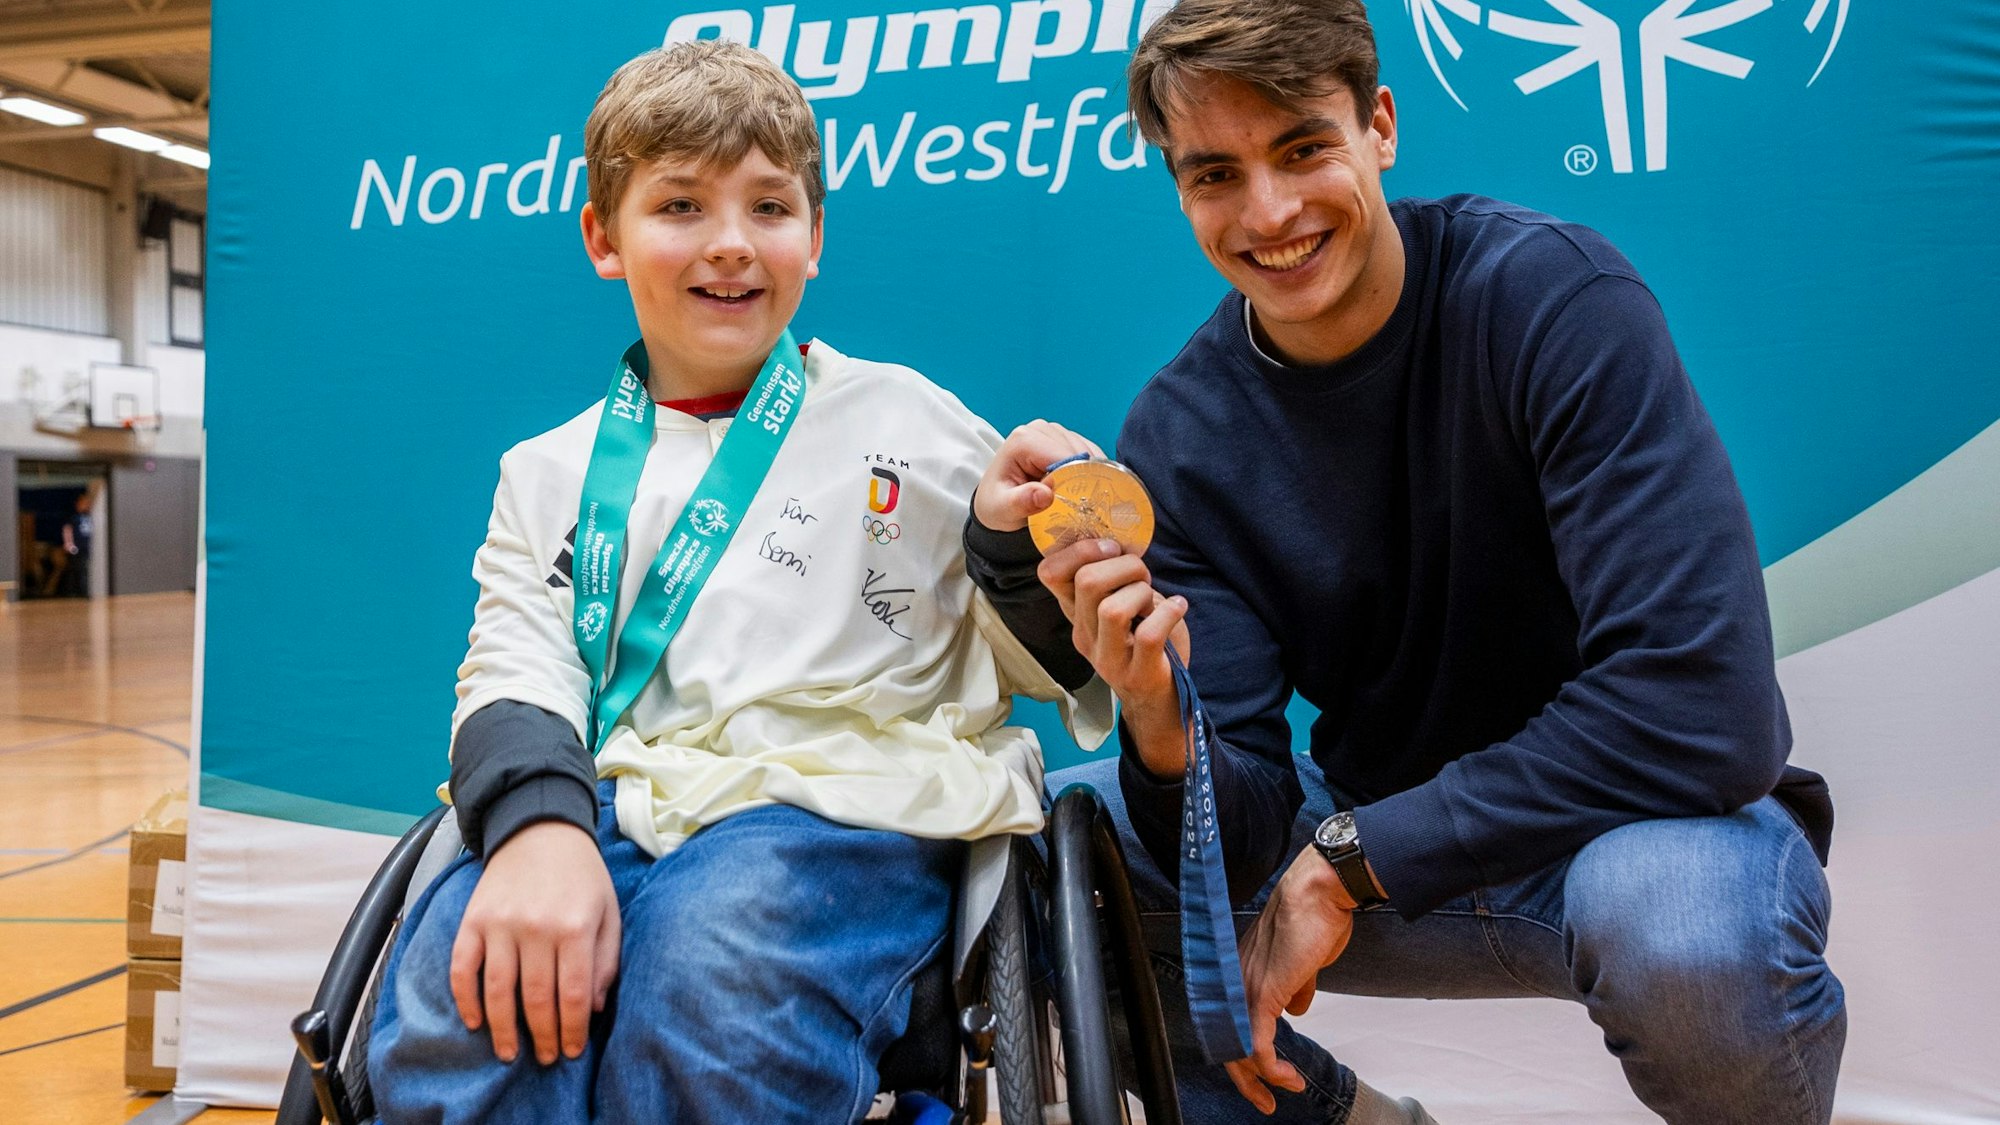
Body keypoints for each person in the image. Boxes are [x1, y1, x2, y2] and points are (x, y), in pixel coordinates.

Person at [964, 1, 1845, 1122]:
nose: (1268, 213)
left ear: (1378, 125)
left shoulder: (1553, 299)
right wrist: (1156, 713)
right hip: (1373, 823)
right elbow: (1237, 830)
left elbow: (1700, 706)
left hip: (1635, 828)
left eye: (1302, 149)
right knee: (1046, 860)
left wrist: (1352, 858)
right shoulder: (1181, 433)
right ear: (1178, 188)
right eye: (1215, 174)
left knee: (1680, 929)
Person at [368, 40, 1105, 1124]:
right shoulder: (546, 472)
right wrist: (538, 833)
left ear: (815, 235)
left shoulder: (908, 420)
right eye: (680, 206)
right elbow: (517, 671)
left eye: (769, 207)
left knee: (712, 975)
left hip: (845, 809)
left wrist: (1007, 549)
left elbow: (1041, 666)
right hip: (613, 805)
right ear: (603, 238)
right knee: (465, 994)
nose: (730, 243)